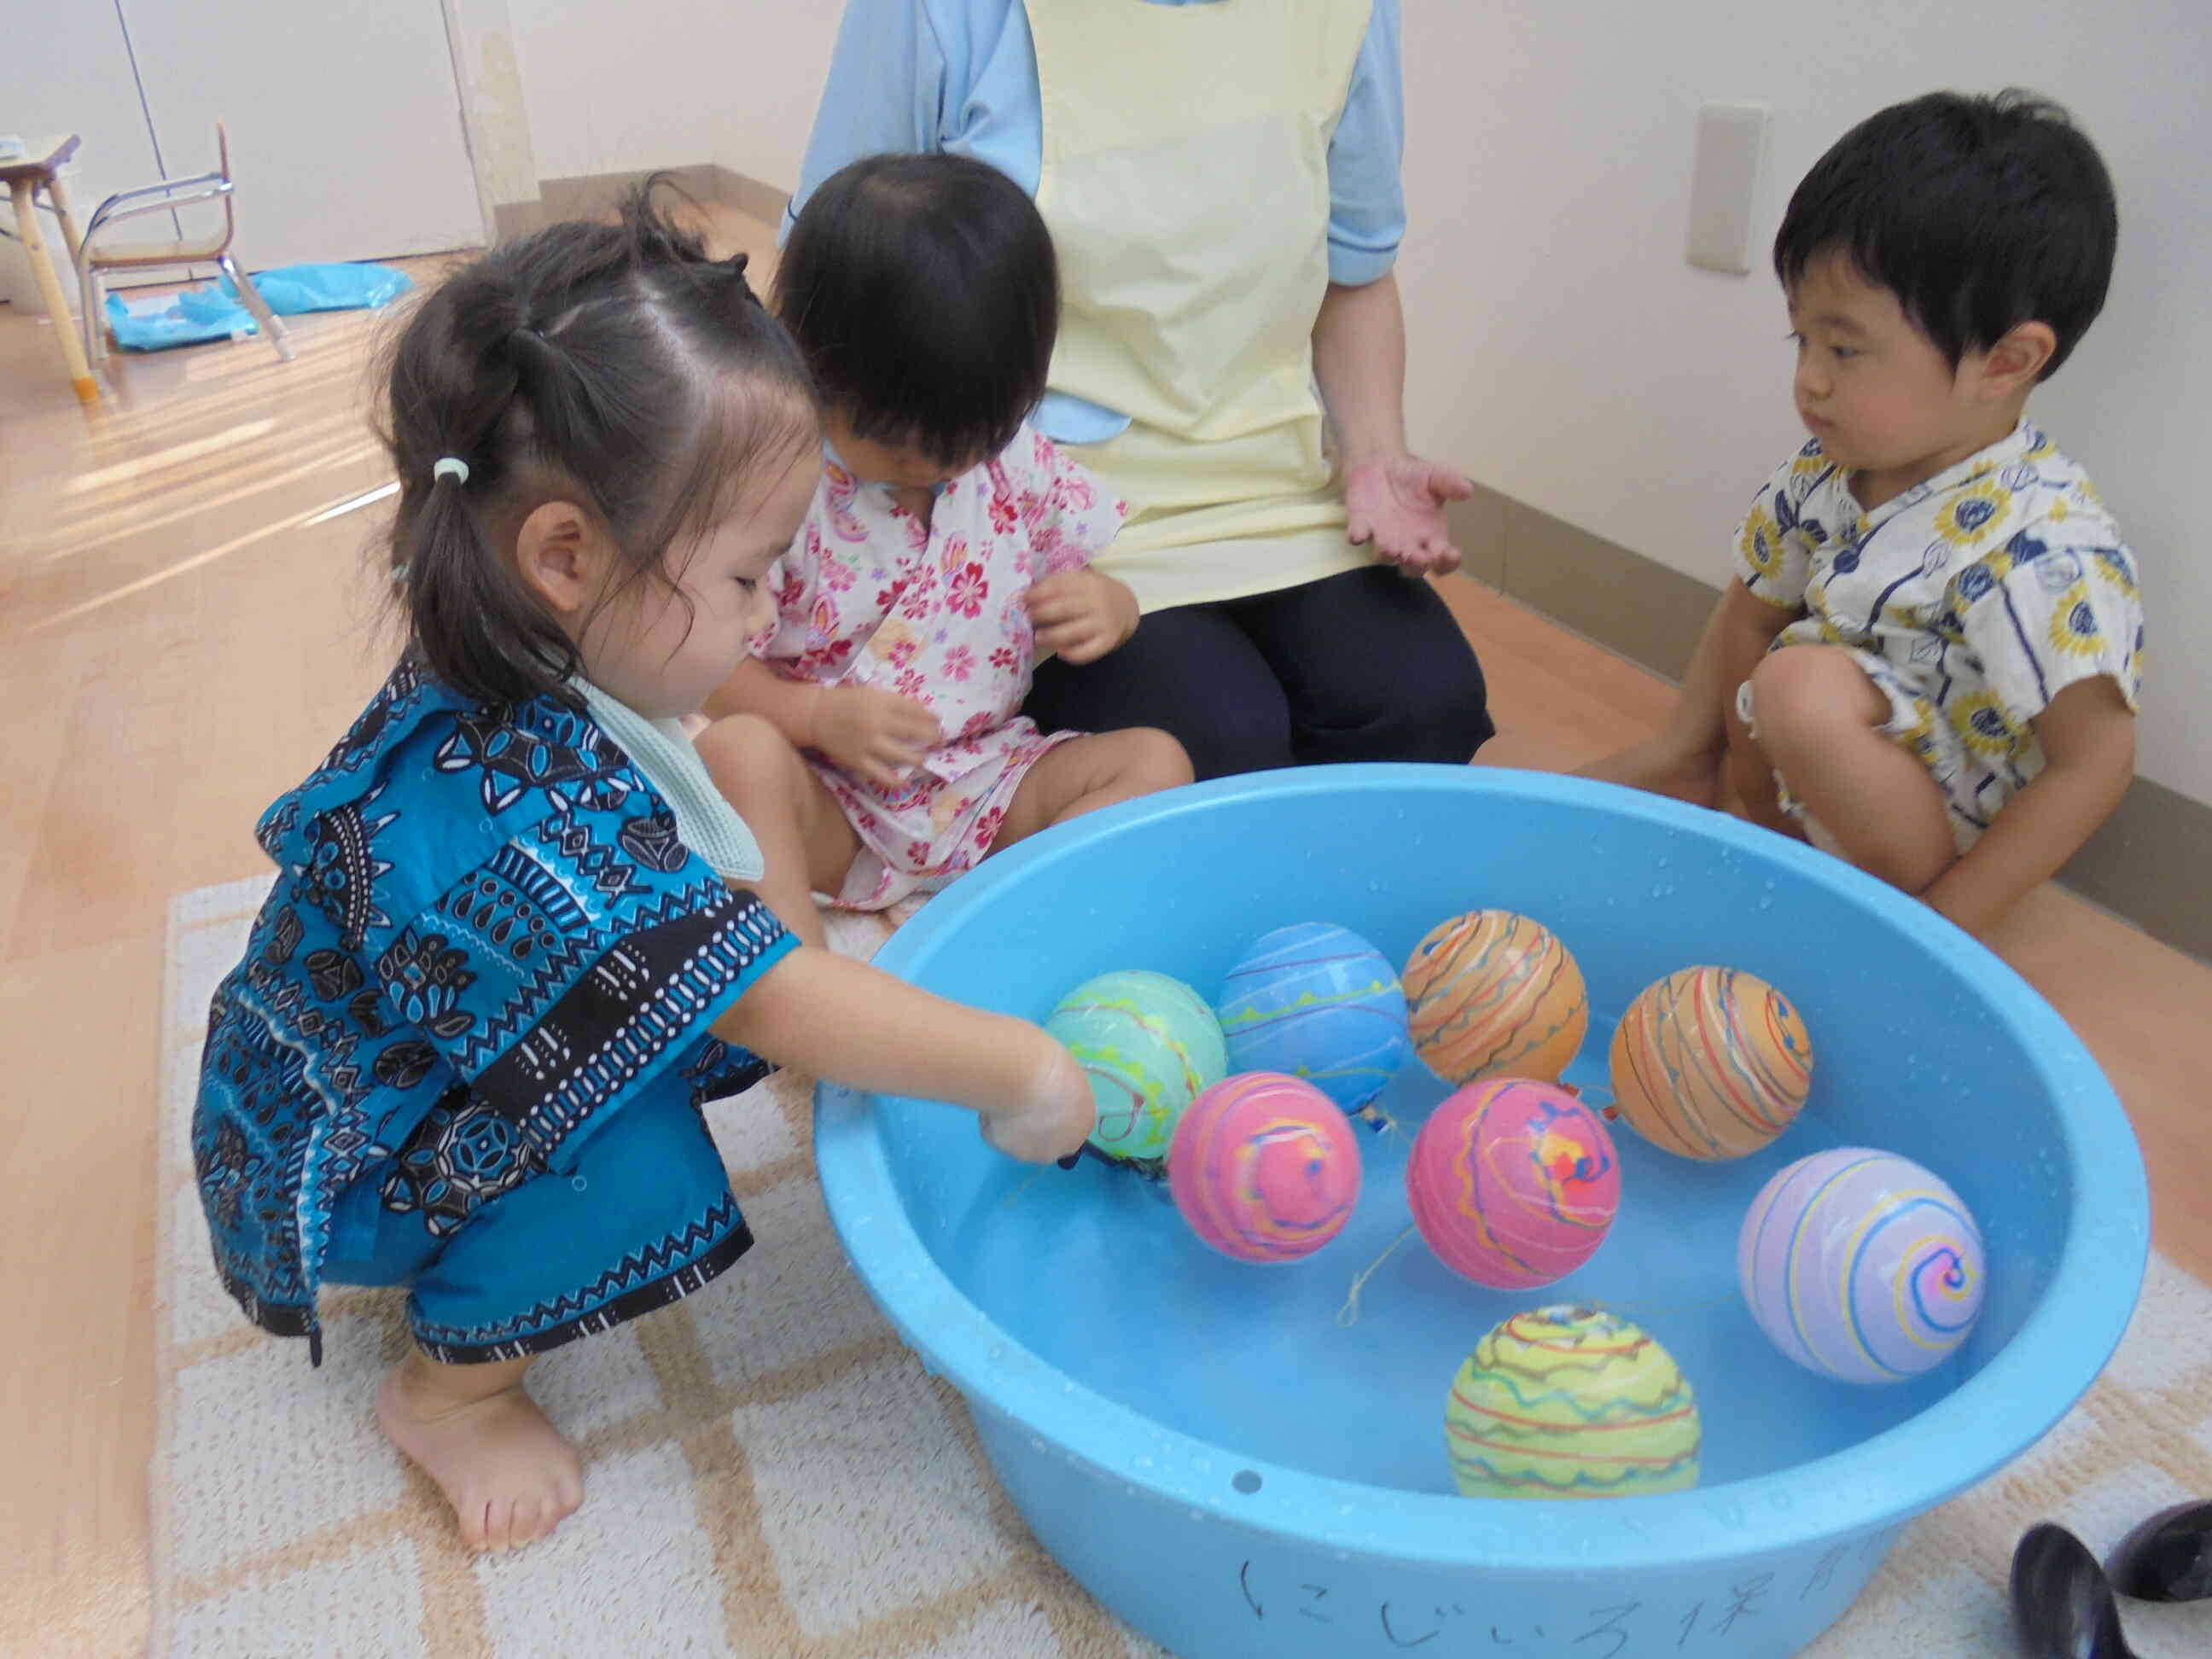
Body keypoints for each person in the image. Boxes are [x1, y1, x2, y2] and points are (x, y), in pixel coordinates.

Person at [190, 192, 1095, 1555]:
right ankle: (449, 1388)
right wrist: (1024, 1070)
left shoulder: (507, 654)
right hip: (353, 1172)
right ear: (565, 554)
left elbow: (708, 836)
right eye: (748, 574)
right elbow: (766, 1004)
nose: (777, 611)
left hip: (367, 1074)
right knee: (647, 1168)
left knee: (726, 805)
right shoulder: (511, 818)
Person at [787, 0, 1493, 781]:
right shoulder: (944, 14)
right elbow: (838, 276)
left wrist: (1375, 455)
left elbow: (1355, 272)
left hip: (1272, 486)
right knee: (1220, 742)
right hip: (1034, 504)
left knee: (1425, 708)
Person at [1586, 92, 2140, 937]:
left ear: (2005, 361)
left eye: (1844, 349)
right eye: (1799, 339)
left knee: (1799, 684)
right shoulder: (1827, 469)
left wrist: (1950, 923)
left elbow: (2095, 764)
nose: (1809, 379)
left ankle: (1893, 909)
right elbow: (1752, 607)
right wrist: (1703, 759)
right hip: (1797, 775)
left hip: (1931, 829)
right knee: (1511, 757)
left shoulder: (2041, 545)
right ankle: (1737, 814)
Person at [701, 154, 1191, 946]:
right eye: (896, 445)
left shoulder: (1009, 458)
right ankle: (806, 988)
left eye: (972, 439)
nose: (937, 469)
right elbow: (714, 668)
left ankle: (1020, 935)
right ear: (811, 367)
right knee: (738, 756)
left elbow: (1079, 562)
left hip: (986, 784)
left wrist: (1113, 605)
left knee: (1156, 762)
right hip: (835, 804)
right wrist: (816, 716)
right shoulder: (776, 486)